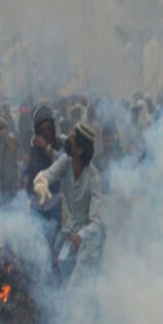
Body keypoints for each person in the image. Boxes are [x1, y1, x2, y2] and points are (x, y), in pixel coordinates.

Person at [33, 122, 105, 287]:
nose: (67, 141)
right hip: (69, 233)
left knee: (78, 287)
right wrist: (42, 184)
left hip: (88, 240)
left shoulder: (94, 179)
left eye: (72, 139)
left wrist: (81, 237)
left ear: (79, 150)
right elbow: (47, 175)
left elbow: (96, 223)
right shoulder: (66, 161)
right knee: (62, 279)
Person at [0, 115, 20, 203]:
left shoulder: (12, 141)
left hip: (12, 185)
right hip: (0, 185)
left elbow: (17, 161)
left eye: (1, 128)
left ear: (6, 128)